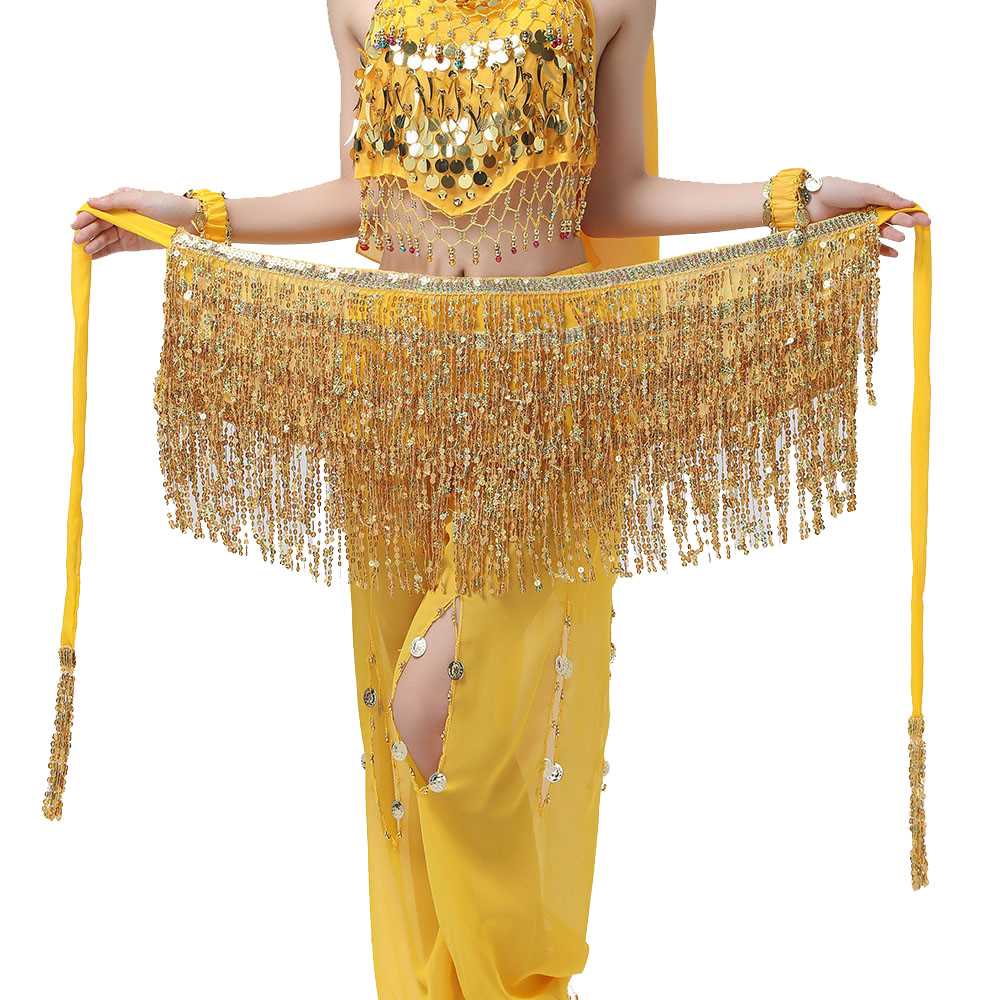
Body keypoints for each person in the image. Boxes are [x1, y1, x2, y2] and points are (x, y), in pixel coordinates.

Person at [64, 1, 930, 997]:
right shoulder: (357, 5)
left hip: (543, 388)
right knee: (399, 727)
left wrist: (797, 199)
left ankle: (513, 983)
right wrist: (188, 214)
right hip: (390, 384)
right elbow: (359, 195)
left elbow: (616, 196)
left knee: (440, 704)